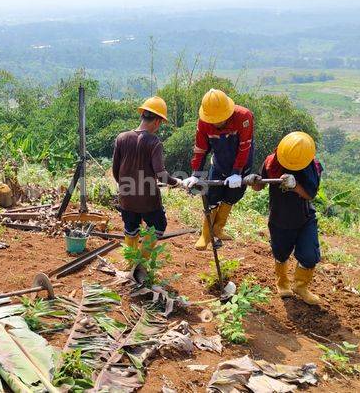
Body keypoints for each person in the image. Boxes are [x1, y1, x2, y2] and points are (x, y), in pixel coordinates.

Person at [248, 131, 323, 305]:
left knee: (310, 255)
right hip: (279, 218)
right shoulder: (271, 162)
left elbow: (310, 194)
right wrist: (254, 180)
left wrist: (295, 186)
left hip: (304, 218)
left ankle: (301, 286)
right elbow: (259, 186)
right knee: (281, 254)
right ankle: (282, 283)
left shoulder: (312, 166)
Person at [181, 89, 255, 250]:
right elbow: (201, 149)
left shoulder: (244, 117)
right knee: (212, 197)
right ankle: (205, 235)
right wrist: (196, 174)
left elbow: (244, 147)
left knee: (232, 196)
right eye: (213, 120)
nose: (216, 123)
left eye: (220, 119)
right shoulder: (203, 122)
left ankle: (218, 228)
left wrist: (236, 172)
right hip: (220, 163)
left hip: (242, 165)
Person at [112, 96, 181, 255]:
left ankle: (131, 264)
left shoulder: (121, 138)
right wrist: (176, 182)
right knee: (158, 226)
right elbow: (161, 175)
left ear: (142, 114)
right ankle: (141, 263)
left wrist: (125, 187)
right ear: (157, 121)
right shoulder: (154, 142)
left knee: (131, 229)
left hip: (126, 197)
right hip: (148, 200)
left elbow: (115, 171)